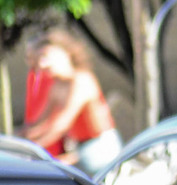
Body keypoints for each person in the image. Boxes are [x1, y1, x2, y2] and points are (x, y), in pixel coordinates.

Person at [24, 34, 120, 171]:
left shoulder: (82, 80)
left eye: (46, 57)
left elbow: (61, 124)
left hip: (100, 147)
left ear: (65, 54)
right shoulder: (56, 86)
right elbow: (40, 123)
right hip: (80, 148)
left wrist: (34, 147)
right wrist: (22, 138)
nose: (42, 64)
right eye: (40, 59)